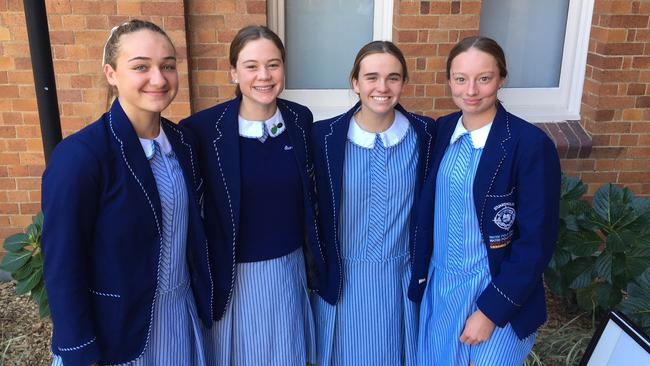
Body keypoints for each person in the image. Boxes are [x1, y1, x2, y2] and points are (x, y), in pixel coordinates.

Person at [42, 20, 212, 366]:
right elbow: (63, 263)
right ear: (111, 73)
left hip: (179, 319)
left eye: (167, 65)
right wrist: (80, 352)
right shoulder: (81, 156)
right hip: (116, 334)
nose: (159, 78)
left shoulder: (183, 144)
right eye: (141, 67)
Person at [410, 36, 561, 365]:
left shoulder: (529, 145)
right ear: (449, 79)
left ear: (502, 79)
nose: (471, 90)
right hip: (442, 286)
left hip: (493, 288)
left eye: (484, 78)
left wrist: (492, 311)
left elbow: (536, 241)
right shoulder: (441, 131)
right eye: (461, 79)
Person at [180, 25, 320, 365]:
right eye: (251, 66)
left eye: (273, 64)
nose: (264, 76)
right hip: (234, 278)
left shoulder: (300, 120)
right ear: (233, 71)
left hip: (289, 271)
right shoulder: (201, 130)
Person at [310, 40, 436, 365]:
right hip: (342, 280)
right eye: (372, 77)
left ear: (403, 83)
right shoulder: (322, 138)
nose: (382, 87)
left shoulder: (425, 135)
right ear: (355, 82)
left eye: (393, 77)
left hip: (400, 281)